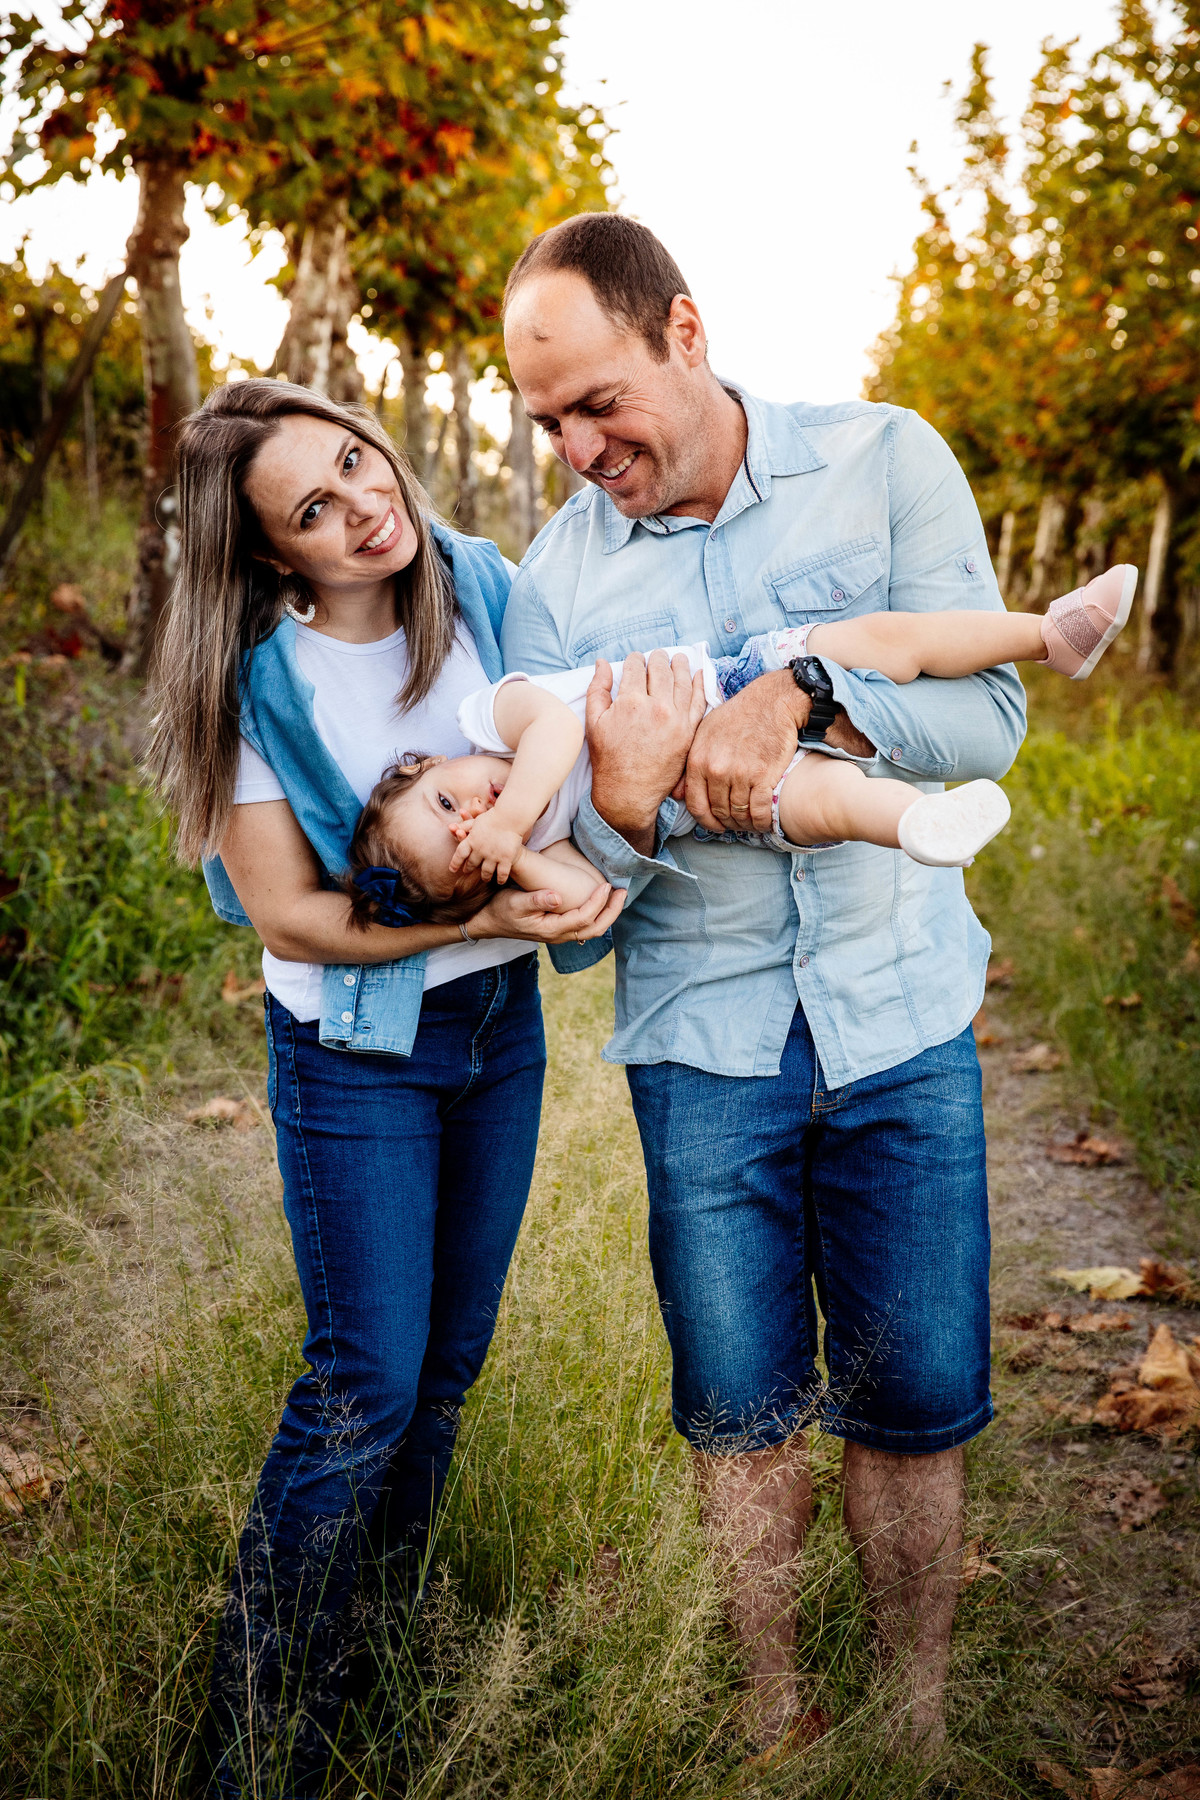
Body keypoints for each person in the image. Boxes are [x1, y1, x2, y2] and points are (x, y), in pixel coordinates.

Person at [499, 211, 1034, 1761]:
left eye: (600, 401)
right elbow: (580, 923)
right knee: (738, 1409)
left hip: (899, 1010)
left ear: (683, 329)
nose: (579, 447)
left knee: (916, 1395)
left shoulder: (884, 459)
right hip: (703, 1042)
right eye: (546, 423)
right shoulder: (554, 584)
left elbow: (990, 721)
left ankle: (914, 1726)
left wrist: (807, 692)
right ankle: (771, 1721)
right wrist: (629, 789)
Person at [145, 378, 622, 1798]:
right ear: (274, 554)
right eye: (314, 509)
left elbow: (570, 738)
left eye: (356, 463)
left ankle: (372, 1680)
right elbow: (289, 915)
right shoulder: (260, 684)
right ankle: (244, 1751)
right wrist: (485, 920)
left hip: (493, 1041)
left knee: (443, 1380)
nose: (364, 505)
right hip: (358, 1055)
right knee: (362, 1386)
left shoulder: (478, 584)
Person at [343, 565, 1135, 931]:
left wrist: (507, 825)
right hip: (702, 798)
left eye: (448, 802)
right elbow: (583, 897)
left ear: (427, 764)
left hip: (734, 676)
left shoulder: (493, 718)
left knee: (881, 641)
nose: (473, 815)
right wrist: (506, 861)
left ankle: (1047, 635)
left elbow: (556, 731)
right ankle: (920, 826)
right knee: (825, 801)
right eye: (466, 849)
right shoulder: (528, 840)